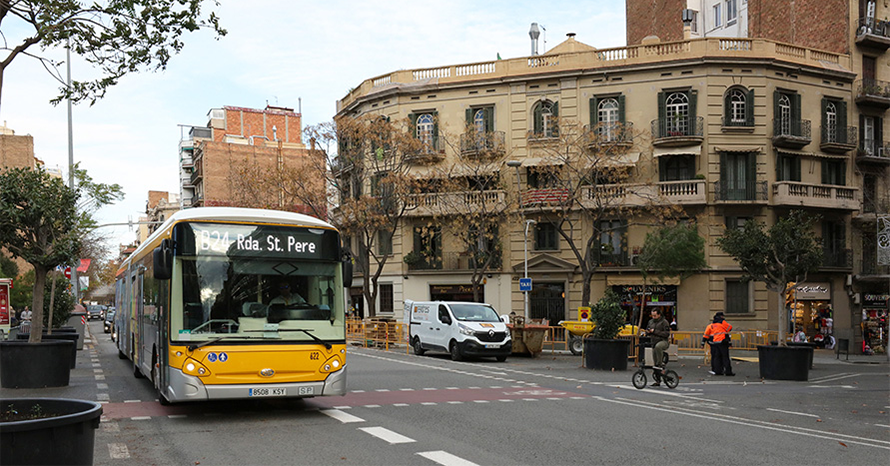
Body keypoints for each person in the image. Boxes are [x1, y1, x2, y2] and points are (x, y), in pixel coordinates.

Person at [641, 308, 671, 385]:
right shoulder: (650, 322)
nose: (653, 317)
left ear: (659, 315)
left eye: (655, 315)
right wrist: (647, 332)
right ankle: (658, 380)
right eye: (652, 315)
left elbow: (666, 333)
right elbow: (648, 329)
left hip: (663, 341)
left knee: (658, 347)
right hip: (654, 342)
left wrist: (654, 331)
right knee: (655, 363)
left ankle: (661, 362)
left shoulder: (664, 322)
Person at [703, 312, 734, 376]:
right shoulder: (722, 322)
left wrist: (703, 343)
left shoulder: (711, 325)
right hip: (723, 342)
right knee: (725, 357)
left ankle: (717, 371)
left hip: (714, 343)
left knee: (716, 357)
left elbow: (706, 335)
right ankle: (728, 371)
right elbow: (730, 328)